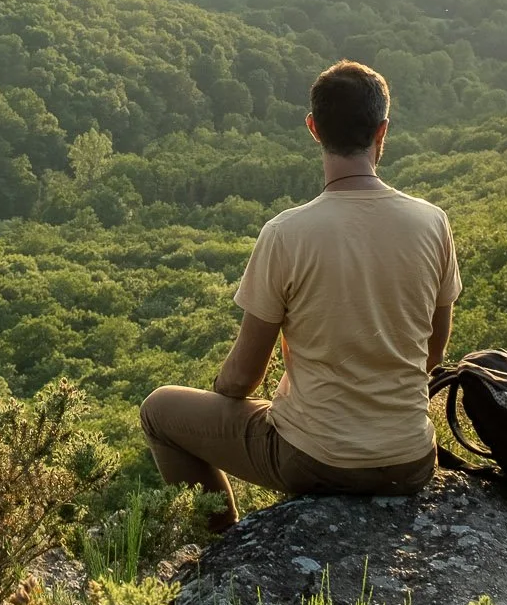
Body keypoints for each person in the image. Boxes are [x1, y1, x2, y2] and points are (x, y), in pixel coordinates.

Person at [140, 60, 458, 532]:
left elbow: (242, 378)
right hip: (410, 460)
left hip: (315, 460)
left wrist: (225, 393)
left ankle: (223, 545)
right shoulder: (432, 223)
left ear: (313, 128)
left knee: (159, 410)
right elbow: (433, 351)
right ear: (382, 131)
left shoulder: (286, 233)